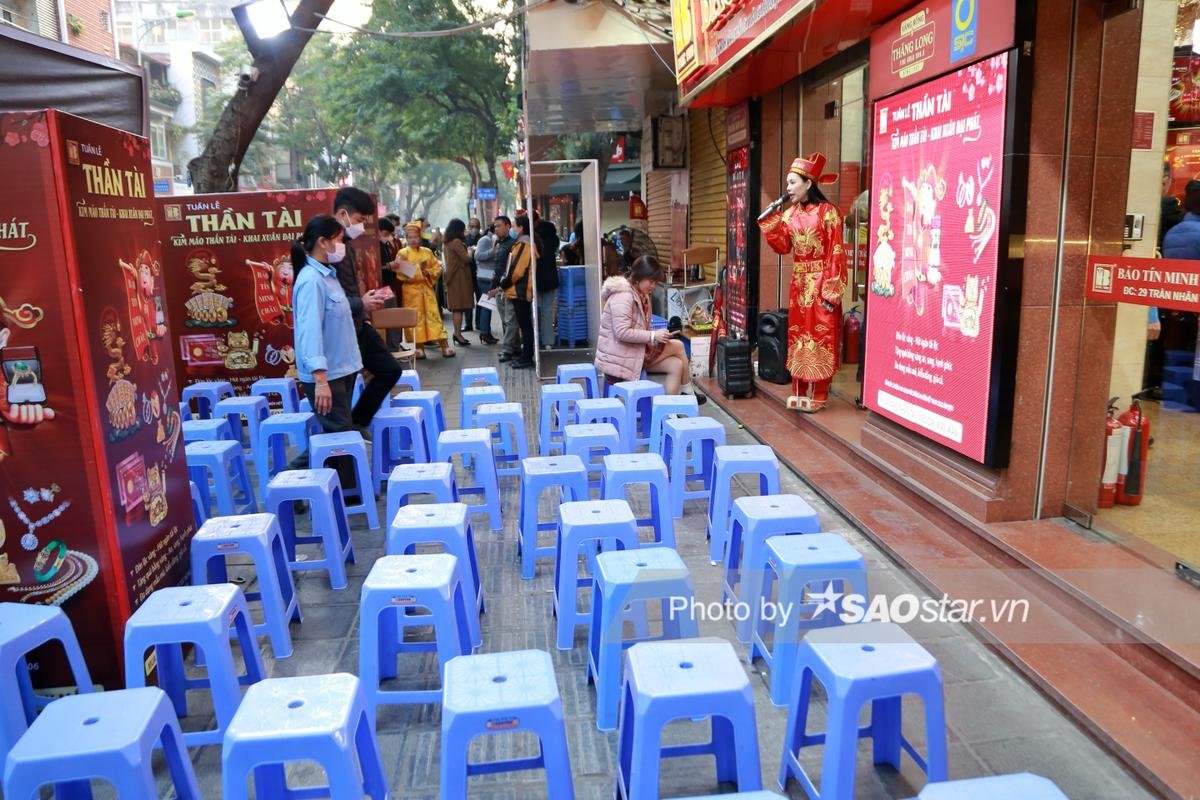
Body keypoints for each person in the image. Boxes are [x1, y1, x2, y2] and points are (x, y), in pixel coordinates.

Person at [758, 153, 846, 412]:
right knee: (798, 336)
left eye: (793, 182)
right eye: (787, 183)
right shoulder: (789, 215)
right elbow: (783, 247)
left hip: (821, 283)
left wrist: (831, 291)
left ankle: (819, 393)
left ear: (809, 183)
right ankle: (798, 389)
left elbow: (837, 252)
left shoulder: (828, 213)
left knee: (821, 335)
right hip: (799, 284)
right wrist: (771, 222)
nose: (788, 188)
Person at [291, 214, 362, 486]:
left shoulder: (327, 277)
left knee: (338, 434)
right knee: (339, 434)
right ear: (323, 242)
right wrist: (320, 379)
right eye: (338, 240)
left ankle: (342, 489)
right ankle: (293, 480)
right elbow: (309, 332)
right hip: (326, 375)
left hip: (342, 368)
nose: (342, 246)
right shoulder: (311, 280)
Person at [331, 187, 399, 428]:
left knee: (390, 369)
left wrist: (363, 301)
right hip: (339, 332)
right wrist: (361, 302)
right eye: (359, 220)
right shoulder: (325, 252)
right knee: (337, 420)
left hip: (356, 323)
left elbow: (346, 289)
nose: (360, 226)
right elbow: (328, 302)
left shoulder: (345, 244)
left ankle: (358, 424)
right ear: (342, 214)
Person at [594, 255, 703, 400]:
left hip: (632, 352)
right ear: (639, 277)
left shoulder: (640, 294)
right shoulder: (624, 296)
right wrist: (653, 336)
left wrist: (656, 334)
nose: (653, 286)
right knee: (678, 346)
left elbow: (638, 328)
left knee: (676, 364)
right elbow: (621, 332)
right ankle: (688, 393)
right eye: (651, 281)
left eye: (655, 282)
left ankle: (669, 412)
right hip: (621, 357)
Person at [397, 220, 454, 358]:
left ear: (420, 237)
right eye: (410, 237)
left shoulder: (427, 252)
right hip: (411, 291)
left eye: (415, 237)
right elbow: (401, 274)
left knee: (433, 317)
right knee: (417, 319)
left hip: (426, 289)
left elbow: (437, 268)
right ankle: (419, 347)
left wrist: (427, 272)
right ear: (406, 238)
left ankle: (444, 345)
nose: (413, 240)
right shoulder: (402, 253)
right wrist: (419, 270)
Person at [490, 214, 534, 368]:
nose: (513, 229)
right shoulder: (521, 243)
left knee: (525, 326)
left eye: (515, 226)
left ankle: (526, 357)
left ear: (521, 228)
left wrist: (503, 284)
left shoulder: (524, 244)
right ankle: (523, 355)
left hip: (520, 290)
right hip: (517, 289)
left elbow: (516, 272)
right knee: (523, 325)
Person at [442, 218, 475, 347]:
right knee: (458, 308)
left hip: (453, 278)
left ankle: (457, 334)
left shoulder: (447, 242)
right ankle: (457, 334)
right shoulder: (456, 242)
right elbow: (466, 259)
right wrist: (471, 252)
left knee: (457, 307)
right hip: (459, 279)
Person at [491, 215, 519, 361]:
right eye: (495, 226)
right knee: (505, 319)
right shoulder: (498, 243)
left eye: (499, 226)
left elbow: (510, 269)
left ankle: (509, 349)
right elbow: (497, 268)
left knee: (510, 320)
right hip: (498, 287)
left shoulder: (513, 244)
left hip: (508, 287)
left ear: (508, 226)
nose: (496, 229)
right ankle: (513, 347)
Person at [377, 217, 405, 352]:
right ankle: (392, 348)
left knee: (393, 317)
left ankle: (395, 346)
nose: (388, 237)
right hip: (382, 287)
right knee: (389, 318)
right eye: (386, 233)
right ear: (379, 231)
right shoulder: (375, 246)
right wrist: (390, 265)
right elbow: (377, 268)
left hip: (389, 285)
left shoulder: (385, 245)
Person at [534, 214, 560, 350]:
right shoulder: (554, 241)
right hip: (550, 279)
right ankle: (548, 341)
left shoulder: (535, 242)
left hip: (535, 278)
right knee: (547, 310)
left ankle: (534, 338)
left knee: (533, 310)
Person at [473, 223, 500, 344]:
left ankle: (486, 332)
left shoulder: (495, 239)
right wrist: (492, 252)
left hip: (490, 276)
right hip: (484, 276)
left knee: (488, 305)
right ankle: (485, 333)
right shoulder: (486, 239)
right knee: (487, 305)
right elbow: (477, 256)